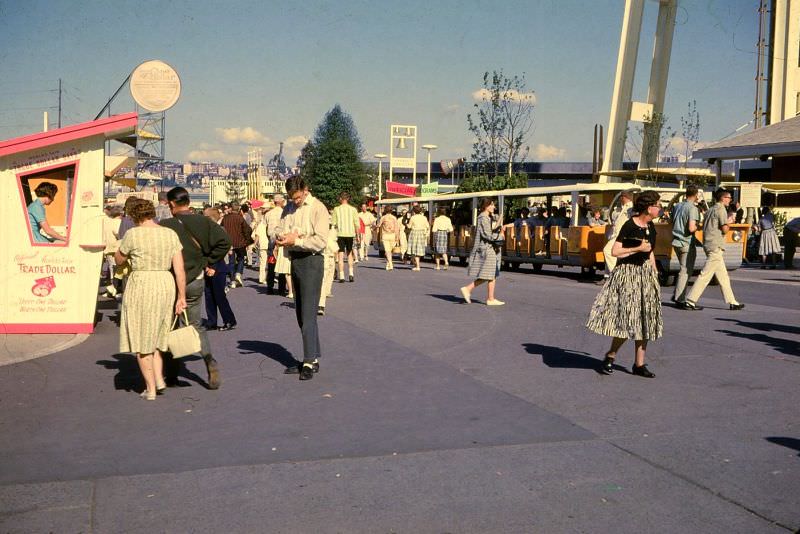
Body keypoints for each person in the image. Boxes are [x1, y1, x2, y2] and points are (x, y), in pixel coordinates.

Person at [161, 186, 232, 389]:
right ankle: (209, 360)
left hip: (173, 280)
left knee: (171, 325)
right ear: (189, 202)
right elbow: (224, 241)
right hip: (196, 279)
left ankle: (171, 372)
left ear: (172, 204)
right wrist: (209, 261)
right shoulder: (204, 221)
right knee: (196, 324)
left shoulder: (166, 225)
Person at [115, 198, 187, 400]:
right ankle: (159, 379)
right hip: (165, 282)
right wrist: (181, 297)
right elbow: (179, 269)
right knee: (156, 335)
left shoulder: (133, 234)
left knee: (140, 337)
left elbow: (119, 258)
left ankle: (150, 389)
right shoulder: (169, 234)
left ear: (134, 216)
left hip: (142, 282)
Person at [587, 191, 663, 379]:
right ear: (648, 207)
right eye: (658, 205)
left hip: (645, 275)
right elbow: (615, 250)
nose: (660, 208)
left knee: (646, 320)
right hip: (628, 274)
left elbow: (650, 250)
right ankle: (611, 355)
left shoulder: (651, 226)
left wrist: (654, 270)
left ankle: (639, 363)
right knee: (628, 319)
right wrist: (637, 248)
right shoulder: (630, 225)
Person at [275, 176, 330, 380]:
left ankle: (308, 360)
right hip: (295, 259)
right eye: (292, 198)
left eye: (298, 197)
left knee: (308, 312)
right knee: (300, 310)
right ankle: (312, 356)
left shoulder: (318, 208)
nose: (295, 201)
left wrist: (295, 240)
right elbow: (279, 228)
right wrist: (280, 237)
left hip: (312, 260)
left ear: (306, 189)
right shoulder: (288, 208)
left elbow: (320, 241)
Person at [683, 188, 745, 311]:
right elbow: (724, 229)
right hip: (716, 245)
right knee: (705, 274)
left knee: (723, 276)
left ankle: (732, 301)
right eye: (729, 198)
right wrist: (729, 222)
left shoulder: (710, 209)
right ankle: (690, 300)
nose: (730, 200)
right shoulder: (721, 209)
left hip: (708, 243)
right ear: (723, 198)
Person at [460, 199, 512, 305]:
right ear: (486, 206)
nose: (494, 207)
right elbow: (487, 235)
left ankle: (490, 298)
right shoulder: (483, 217)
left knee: (492, 273)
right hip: (486, 248)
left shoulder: (487, 217)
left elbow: (495, 222)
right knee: (489, 273)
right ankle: (468, 288)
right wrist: (500, 236)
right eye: (492, 205)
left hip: (490, 248)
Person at [202, 207, 237, 331]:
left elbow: (220, 251)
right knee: (209, 295)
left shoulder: (218, 230)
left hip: (218, 267)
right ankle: (212, 321)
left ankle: (229, 320)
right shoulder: (208, 230)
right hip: (208, 266)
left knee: (219, 296)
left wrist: (212, 267)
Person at [672, 184, 702, 308]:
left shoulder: (677, 206)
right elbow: (691, 228)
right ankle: (680, 298)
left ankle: (678, 293)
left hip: (675, 241)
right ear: (696, 195)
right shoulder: (693, 208)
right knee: (685, 271)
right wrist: (699, 226)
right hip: (686, 242)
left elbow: (670, 221)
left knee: (682, 269)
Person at [602, 190, 635, 277]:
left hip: (621, 235)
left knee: (607, 251)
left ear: (625, 197)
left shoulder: (631, 207)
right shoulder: (620, 207)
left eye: (621, 197)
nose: (620, 199)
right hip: (614, 234)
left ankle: (615, 274)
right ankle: (607, 276)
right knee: (613, 254)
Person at [222, 203, 253, 288]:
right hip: (240, 242)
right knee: (241, 258)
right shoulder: (240, 218)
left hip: (229, 243)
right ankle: (238, 273)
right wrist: (247, 241)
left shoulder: (225, 218)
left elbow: (221, 229)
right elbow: (247, 230)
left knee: (231, 262)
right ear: (239, 209)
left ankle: (232, 281)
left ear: (231, 209)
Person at [332, 192, 359, 282]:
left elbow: (333, 224)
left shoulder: (336, 209)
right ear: (348, 199)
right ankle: (351, 273)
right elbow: (356, 224)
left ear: (340, 198)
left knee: (340, 254)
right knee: (349, 253)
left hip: (340, 234)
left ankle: (342, 275)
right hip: (350, 234)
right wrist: (358, 236)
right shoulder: (353, 209)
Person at [265, 194, 287, 295]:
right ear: (281, 202)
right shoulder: (284, 213)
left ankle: (270, 286)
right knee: (282, 263)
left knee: (271, 263)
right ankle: (281, 288)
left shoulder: (268, 213)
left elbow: (266, 228)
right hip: (281, 240)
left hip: (271, 239)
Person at [101, 204, 124, 298]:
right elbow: (119, 234)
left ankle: (111, 290)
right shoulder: (117, 222)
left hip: (108, 249)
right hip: (116, 249)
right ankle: (114, 290)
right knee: (117, 271)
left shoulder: (107, 222)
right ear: (120, 213)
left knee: (111, 270)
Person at [318, 223, 339, 316]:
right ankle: (321, 303)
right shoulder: (328, 237)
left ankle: (320, 302)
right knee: (326, 280)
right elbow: (335, 249)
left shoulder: (318, 237)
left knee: (322, 281)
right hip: (328, 259)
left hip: (320, 259)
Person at [407, 205, 430, 271]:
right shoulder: (424, 218)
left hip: (414, 233)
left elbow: (409, 226)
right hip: (422, 234)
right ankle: (416, 264)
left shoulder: (413, 217)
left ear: (414, 211)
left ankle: (417, 266)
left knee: (414, 249)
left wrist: (406, 224)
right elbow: (428, 226)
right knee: (419, 250)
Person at [431, 206, 454, 270]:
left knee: (437, 252)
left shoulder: (437, 219)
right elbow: (451, 229)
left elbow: (434, 229)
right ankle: (446, 262)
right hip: (445, 234)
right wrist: (446, 231)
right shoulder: (448, 219)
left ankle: (438, 266)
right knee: (444, 251)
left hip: (438, 234)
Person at [378, 205, 399, 270]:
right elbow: (396, 228)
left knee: (387, 250)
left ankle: (389, 263)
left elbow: (378, 225)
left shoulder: (383, 217)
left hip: (385, 235)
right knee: (390, 250)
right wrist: (397, 237)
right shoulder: (394, 218)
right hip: (392, 235)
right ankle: (390, 263)